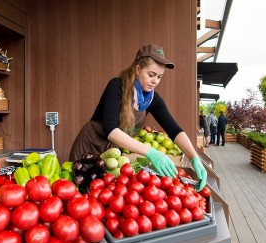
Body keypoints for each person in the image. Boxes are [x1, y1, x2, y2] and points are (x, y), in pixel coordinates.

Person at [69, 44, 207, 191]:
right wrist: (151, 152)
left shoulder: (152, 99)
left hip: (112, 156)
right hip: (88, 149)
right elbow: (111, 130)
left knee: (102, 196)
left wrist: (194, 158)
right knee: (79, 191)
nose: (155, 81)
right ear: (138, 69)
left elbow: (174, 130)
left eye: (159, 77)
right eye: (151, 74)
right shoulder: (116, 86)